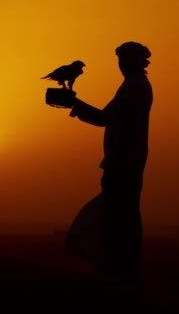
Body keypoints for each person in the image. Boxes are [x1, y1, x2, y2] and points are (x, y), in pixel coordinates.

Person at [64, 42, 153, 286]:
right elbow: (106, 118)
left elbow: (109, 119)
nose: (121, 65)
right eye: (119, 60)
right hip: (123, 163)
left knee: (119, 220)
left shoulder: (135, 87)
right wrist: (75, 104)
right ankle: (120, 270)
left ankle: (122, 273)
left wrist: (75, 104)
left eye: (124, 59)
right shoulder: (132, 86)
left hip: (124, 164)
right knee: (119, 218)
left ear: (135, 61)